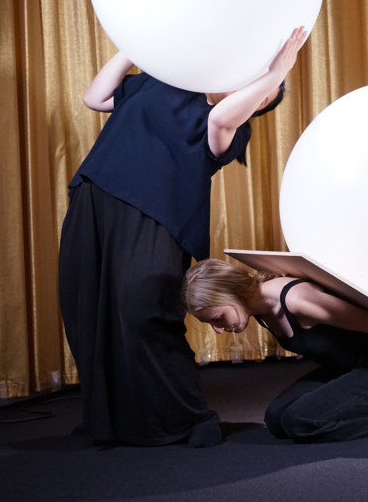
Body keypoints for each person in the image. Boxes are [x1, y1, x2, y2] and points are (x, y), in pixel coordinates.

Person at [58, 27, 309, 447]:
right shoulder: (163, 80)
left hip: (157, 214)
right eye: (260, 88)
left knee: (146, 312)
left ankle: (190, 419)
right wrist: (137, 46)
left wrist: (279, 71)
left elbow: (222, 115)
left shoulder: (228, 129)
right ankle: (113, 422)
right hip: (96, 195)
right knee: (86, 308)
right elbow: (96, 98)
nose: (259, 96)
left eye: (265, 99)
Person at [181, 258, 368, 443]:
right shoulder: (257, 308)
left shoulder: (296, 300)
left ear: (232, 294)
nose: (217, 329)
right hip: (349, 368)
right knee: (276, 420)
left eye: (217, 318)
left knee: (302, 423)